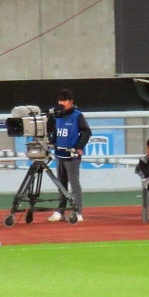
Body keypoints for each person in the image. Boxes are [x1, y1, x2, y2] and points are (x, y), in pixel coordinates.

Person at [47, 88, 90, 223]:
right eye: (60, 100)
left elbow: (86, 132)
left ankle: (78, 212)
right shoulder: (56, 116)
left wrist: (79, 146)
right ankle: (60, 211)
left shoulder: (77, 115)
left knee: (74, 184)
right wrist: (51, 141)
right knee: (61, 184)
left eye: (64, 100)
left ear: (71, 102)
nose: (61, 103)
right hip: (59, 155)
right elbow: (53, 132)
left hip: (71, 156)